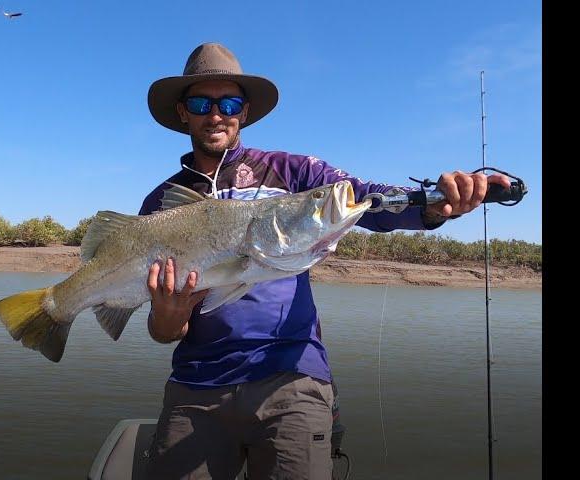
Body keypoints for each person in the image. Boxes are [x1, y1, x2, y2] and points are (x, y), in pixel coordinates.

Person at [139, 43, 510, 479]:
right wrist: (168, 316)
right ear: (183, 112)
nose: (216, 114)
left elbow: (366, 198)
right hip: (196, 386)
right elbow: (163, 332)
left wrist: (434, 202)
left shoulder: (294, 172)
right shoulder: (161, 206)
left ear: (245, 111)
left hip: (291, 378)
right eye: (202, 103)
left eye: (229, 103)